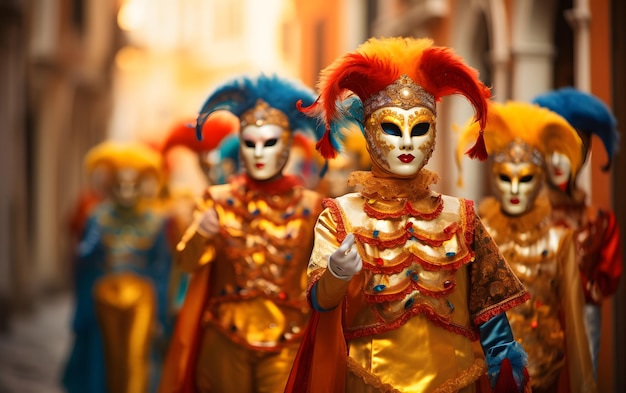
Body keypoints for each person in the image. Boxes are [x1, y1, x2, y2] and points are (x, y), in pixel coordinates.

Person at [285, 37, 530, 393]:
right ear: (369, 132)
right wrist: (337, 275)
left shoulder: (460, 215)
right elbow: (320, 301)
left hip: (455, 381)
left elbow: (490, 310)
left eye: (418, 129)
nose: (406, 143)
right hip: (369, 382)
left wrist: (506, 366)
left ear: (433, 134)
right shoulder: (339, 215)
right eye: (391, 128)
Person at [158, 74, 326, 393]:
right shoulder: (216, 201)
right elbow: (186, 263)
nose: (259, 153)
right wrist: (199, 233)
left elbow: (321, 282)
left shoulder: (313, 206)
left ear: (288, 145)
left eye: (269, 143)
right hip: (223, 339)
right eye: (250, 144)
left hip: (288, 340)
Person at [457, 101, 596, 392]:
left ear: (540, 178)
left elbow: (574, 324)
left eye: (526, 179)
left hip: (547, 372)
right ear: (494, 177)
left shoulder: (559, 241)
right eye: (506, 178)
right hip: (486, 376)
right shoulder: (477, 234)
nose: (516, 190)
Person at [63, 141, 174, 393]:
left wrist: (161, 314)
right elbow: (84, 258)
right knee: (106, 358)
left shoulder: (154, 221)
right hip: (105, 296)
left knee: (136, 357)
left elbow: (161, 267)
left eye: (132, 185)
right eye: (120, 185)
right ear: (111, 185)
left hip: (142, 299)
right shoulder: (98, 217)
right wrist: (92, 240)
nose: (126, 192)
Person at [532, 87, 623, 378]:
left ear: (584, 153)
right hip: (531, 328)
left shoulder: (599, 223)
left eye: (570, 149)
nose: (559, 161)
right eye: (553, 150)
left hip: (583, 328)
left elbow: (605, 285)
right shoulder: (522, 220)